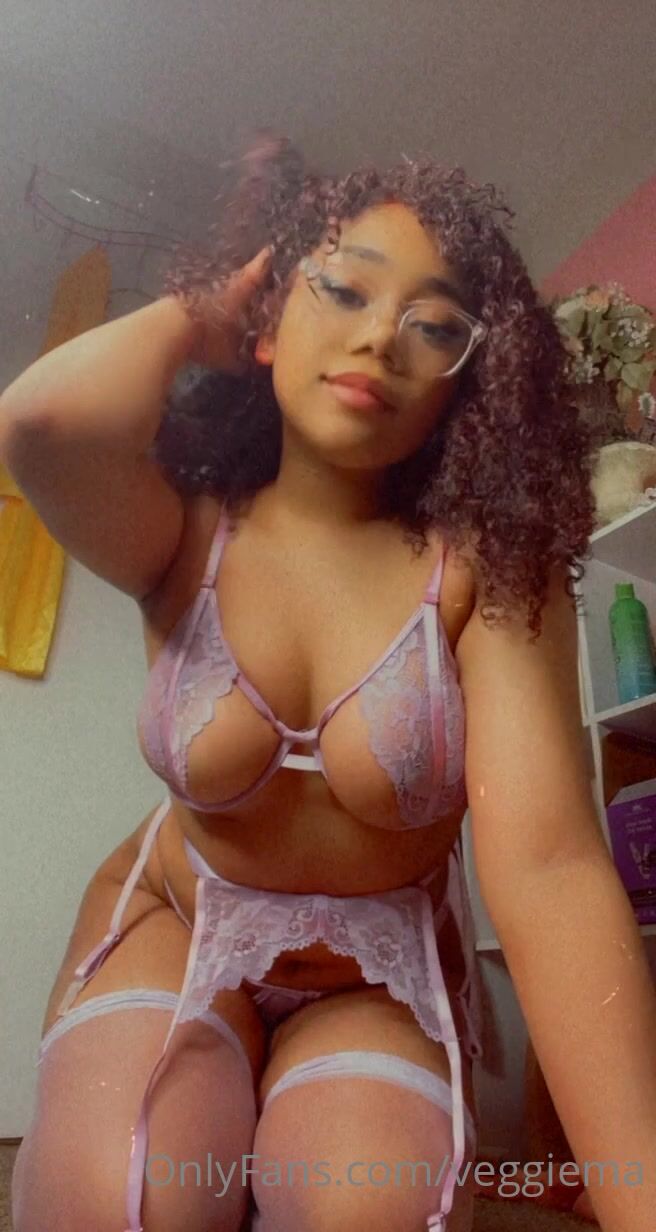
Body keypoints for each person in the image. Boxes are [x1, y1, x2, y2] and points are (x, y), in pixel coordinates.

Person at [3, 131, 655, 1232]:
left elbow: (547, 863)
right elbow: (40, 426)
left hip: (372, 971)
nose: (379, 335)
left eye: (434, 323)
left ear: (465, 382)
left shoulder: (485, 567)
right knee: (129, 1190)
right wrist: (202, 317)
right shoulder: (184, 527)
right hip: (178, 917)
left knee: (369, 1210)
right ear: (269, 321)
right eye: (344, 288)